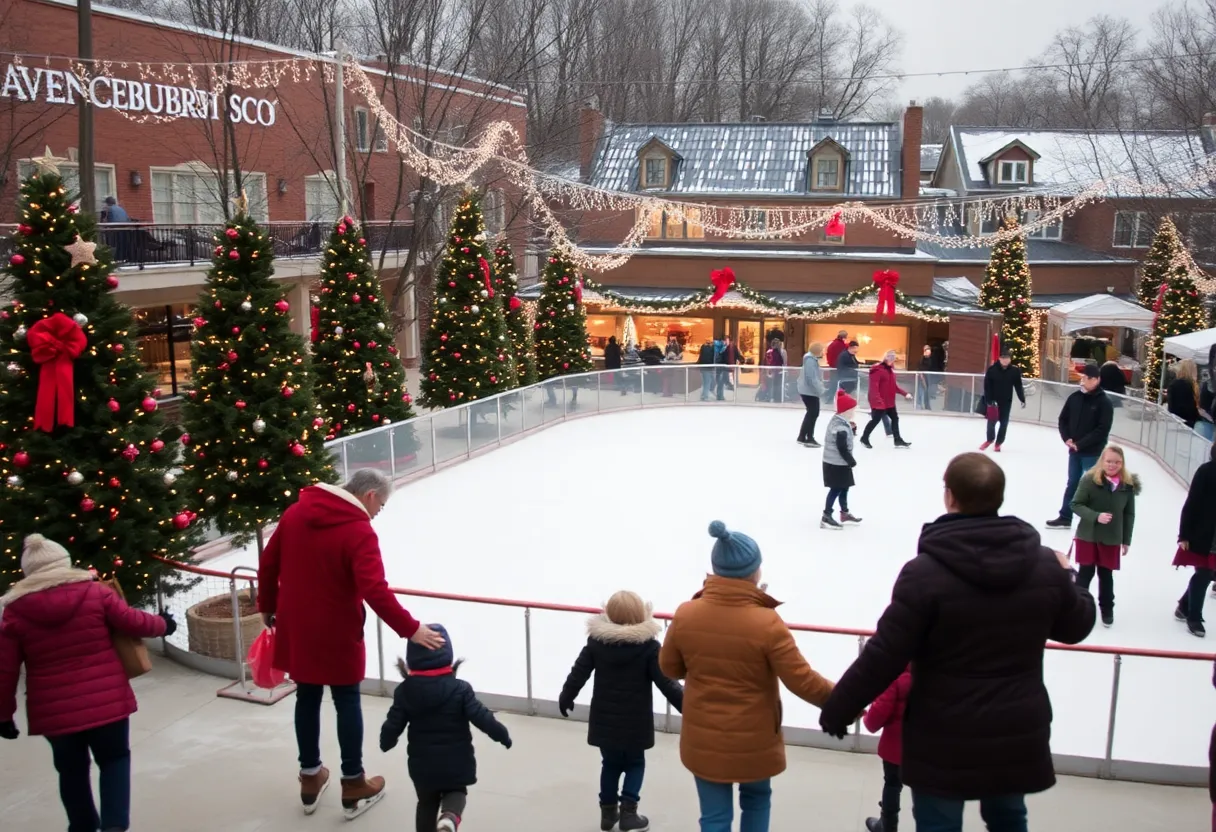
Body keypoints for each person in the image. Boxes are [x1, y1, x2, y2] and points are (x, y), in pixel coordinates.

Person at [819, 453, 1096, 832]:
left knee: (938, 824)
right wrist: (1071, 577)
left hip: (942, 734)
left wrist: (840, 708)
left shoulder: (924, 574)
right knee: (1009, 818)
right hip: (1012, 729)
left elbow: (885, 654)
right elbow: (1076, 627)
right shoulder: (1044, 566)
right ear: (998, 497)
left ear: (949, 497)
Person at [258, 469, 445, 820]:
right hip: (337, 631)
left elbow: (269, 563)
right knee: (346, 701)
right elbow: (375, 590)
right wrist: (411, 629)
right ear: (370, 494)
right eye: (382, 506)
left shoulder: (296, 512)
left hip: (297, 627)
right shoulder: (359, 530)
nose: (378, 513)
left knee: (307, 697)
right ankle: (353, 782)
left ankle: (310, 777)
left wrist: (268, 606)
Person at [659, 521, 835, 832]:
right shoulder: (767, 623)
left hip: (704, 737)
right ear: (754, 572)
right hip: (755, 740)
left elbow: (670, 668)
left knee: (714, 817)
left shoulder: (687, 613)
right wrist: (843, 700)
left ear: (715, 571)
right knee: (756, 800)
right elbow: (801, 679)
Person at [0, 534, 176, 832]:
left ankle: (81, 827)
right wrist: (164, 624)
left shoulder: (15, 612)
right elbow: (132, 621)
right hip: (107, 704)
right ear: (64, 562)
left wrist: (3, 715)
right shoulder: (95, 593)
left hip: (55, 713)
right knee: (115, 760)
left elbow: (4, 670)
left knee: (71, 772)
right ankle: (114, 827)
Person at [558, 590, 684, 832]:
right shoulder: (649, 647)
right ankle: (628, 813)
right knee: (635, 763)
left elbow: (578, 672)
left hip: (605, 720)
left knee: (610, 764)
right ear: (641, 614)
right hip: (636, 722)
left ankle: (607, 814)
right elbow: (666, 682)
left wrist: (567, 696)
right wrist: (688, 706)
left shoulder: (597, 643)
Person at [379, 624, 512, 832]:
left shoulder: (405, 692)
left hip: (422, 766)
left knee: (426, 803)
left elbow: (393, 724)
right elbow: (482, 717)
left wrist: (386, 742)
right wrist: (502, 735)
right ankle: (449, 818)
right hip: (456, 762)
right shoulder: (460, 689)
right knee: (457, 792)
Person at [1069, 445, 1138, 629]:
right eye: (1109, 461)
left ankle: (1107, 609)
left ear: (1122, 463)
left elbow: (1129, 514)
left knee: (1106, 575)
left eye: (1117, 462)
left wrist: (1126, 539)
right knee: (1085, 573)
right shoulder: (1089, 480)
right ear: (1102, 461)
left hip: (1111, 538)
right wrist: (1095, 516)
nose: (1112, 465)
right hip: (1088, 536)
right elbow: (1075, 504)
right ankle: (1076, 609)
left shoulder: (1127, 486)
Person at [1046, 365, 1113, 530]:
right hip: (1074, 451)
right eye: (1082, 377)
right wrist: (1067, 438)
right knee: (1073, 483)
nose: (1083, 381)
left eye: (1087, 378)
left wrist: (1080, 444)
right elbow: (1063, 419)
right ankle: (1065, 516)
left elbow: (1102, 430)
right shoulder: (1075, 398)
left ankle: (1101, 518)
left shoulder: (1104, 403)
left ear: (1096, 380)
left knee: (1095, 485)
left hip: (1092, 453)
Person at [861, 666, 912, 832]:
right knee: (926, 789)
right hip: (925, 747)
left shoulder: (895, 677)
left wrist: (866, 718)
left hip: (895, 748)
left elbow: (876, 716)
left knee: (892, 785)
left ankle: (888, 826)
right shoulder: (935, 673)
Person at [1174, 444, 1216, 637]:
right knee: (1204, 574)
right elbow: (1192, 503)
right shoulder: (1207, 471)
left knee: (1209, 574)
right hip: (1205, 535)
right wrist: (1184, 535)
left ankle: (1184, 605)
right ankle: (1194, 617)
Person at [822, 389, 861, 530]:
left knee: (844, 487)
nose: (853, 412)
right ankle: (826, 515)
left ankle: (844, 513)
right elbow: (842, 447)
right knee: (836, 489)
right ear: (846, 411)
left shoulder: (841, 422)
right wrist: (851, 460)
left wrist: (852, 430)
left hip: (839, 462)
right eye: (852, 410)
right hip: (836, 463)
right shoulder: (840, 427)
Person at [861, 350, 912, 449]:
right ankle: (864, 438)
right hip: (879, 401)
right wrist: (878, 400)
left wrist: (905, 394)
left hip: (889, 402)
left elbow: (894, 387)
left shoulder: (891, 371)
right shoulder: (877, 370)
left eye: (893, 358)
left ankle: (897, 439)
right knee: (875, 420)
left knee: (894, 418)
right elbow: (874, 388)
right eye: (890, 357)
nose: (892, 359)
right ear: (885, 357)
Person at [979, 347, 1026, 452]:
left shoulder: (1014, 371)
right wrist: (989, 400)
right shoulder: (992, 370)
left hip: (1006, 401)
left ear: (1010, 359)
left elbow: (1018, 386)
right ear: (999, 359)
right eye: (1003, 358)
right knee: (991, 422)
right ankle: (989, 439)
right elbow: (987, 386)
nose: (1005, 360)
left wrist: (1022, 399)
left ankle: (998, 443)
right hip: (993, 401)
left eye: (1007, 358)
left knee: (1004, 423)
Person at [796, 342, 826, 447]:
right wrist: (821, 390)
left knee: (812, 413)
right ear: (817, 351)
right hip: (809, 391)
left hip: (809, 390)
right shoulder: (810, 361)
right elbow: (811, 378)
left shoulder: (811, 360)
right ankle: (809, 437)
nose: (824, 352)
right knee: (813, 413)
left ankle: (803, 436)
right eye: (822, 350)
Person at [1168, 358, 1201, 429]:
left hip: (1176, 421)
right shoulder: (1188, 385)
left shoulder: (1174, 383)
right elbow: (1189, 407)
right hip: (1188, 422)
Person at [715, 335, 743, 401]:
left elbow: (737, 354)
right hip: (722, 367)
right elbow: (718, 357)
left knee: (725, 380)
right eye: (724, 340)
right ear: (722, 341)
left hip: (729, 367)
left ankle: (730, 388)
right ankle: (720, 396)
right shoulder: (720, 348)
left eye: (727, 340)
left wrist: (741, 359)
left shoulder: (733, 347)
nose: (725, 342)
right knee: (721, 381)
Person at [916, 345, 936, 411]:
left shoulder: (930, 359)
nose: (928, 352)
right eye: (926, 350)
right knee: (920, 390)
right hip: (921, 375)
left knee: (927, 391)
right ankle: (919, 404)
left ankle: (927, 405)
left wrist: (927, 357)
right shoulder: (921, 358)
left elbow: (930, 366)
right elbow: (920, 366)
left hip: (928, 376)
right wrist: (924, 357)